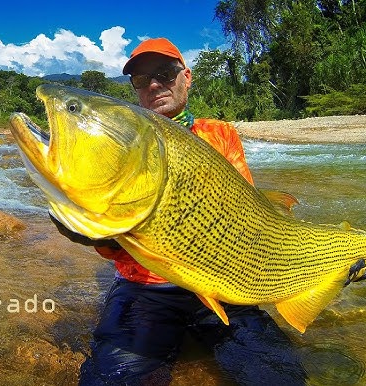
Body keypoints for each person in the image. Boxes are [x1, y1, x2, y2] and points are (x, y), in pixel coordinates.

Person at [55, 38, 309, 385]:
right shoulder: (117, 143)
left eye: (164, 73)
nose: (154, 84)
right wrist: (98, 233)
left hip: (224, 285)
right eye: (141, 80)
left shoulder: (220, 135)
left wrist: (322, 265)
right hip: (145, 290)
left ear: (186, 77)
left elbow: (254, 221)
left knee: (280, 376)